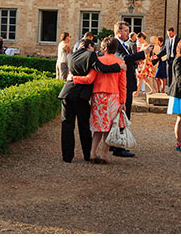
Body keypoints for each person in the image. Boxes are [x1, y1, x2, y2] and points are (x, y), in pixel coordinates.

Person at [59, 36, 121, 162]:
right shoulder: (90, 55)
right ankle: (88, 155)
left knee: (67, 125)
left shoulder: (71, 55)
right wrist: (119, 67)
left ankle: (67, 157)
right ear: (89, 46)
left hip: (67, 93)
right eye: (93, 47)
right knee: (84, 126)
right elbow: (101, 69)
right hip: (81, 95)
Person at [88, 36, 127, 164]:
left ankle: (92, 153)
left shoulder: (98, 60)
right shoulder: (120, 63)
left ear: (104, 48)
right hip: (113, 96)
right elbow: (123, 85)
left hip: (99, 95)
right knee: (109, 128)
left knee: (98, 127)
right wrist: (123, 101)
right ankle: (104, 155)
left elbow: (91, 78)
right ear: (116, 49)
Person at [111, 21, 145, 158]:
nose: (128, 33)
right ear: (119, 32)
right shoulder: (116, 43)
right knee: (123, 114)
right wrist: (143, 53)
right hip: (123, 85)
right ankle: (119, 147)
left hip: (127, 83)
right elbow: (123, 58)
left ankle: (114, 143)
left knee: (122, 114)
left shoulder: (122, 44)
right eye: (125, 30)